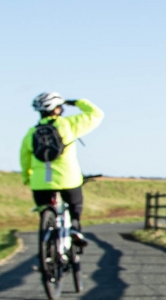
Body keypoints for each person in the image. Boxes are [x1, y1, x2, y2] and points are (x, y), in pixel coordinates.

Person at [21, 92, 104, 246]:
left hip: (39, 183)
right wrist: (74, 102)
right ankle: (75, 227)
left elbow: (24, 158)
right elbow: (96, 114)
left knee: (45, 209)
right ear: (57, 109)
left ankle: (48, 239)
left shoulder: (31, 133)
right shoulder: (67, 125)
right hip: (68, 179)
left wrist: (27, 177)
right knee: (75, 204)